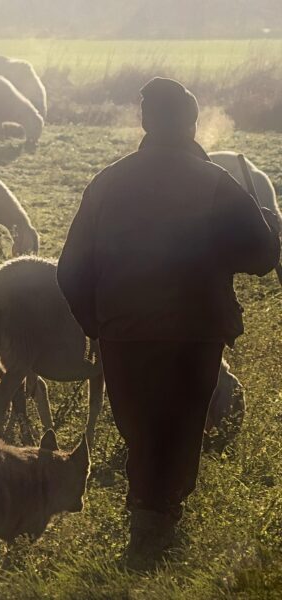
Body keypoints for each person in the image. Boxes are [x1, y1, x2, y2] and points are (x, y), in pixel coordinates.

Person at [57, 77, 280, 571]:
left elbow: (70, 269)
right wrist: (267, 225)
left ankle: (146, 525)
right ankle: (157, 528)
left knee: (140, 429)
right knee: (179, 430)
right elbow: (263, 258)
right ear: (191, 123)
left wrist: (97, 324)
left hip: (125, 334)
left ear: (145, 122)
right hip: (192, 334)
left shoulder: (107, 182)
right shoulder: (214, 183)